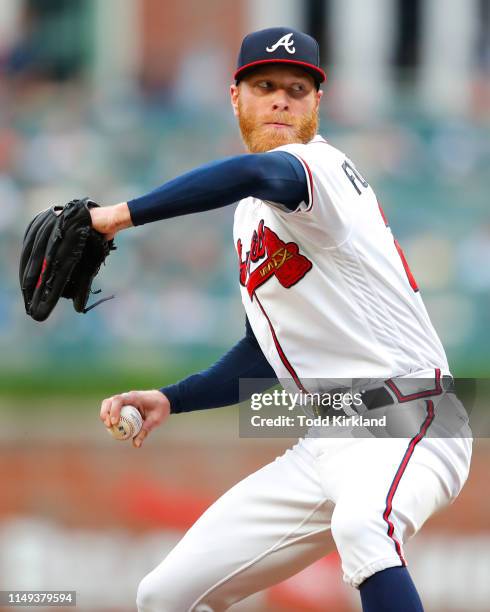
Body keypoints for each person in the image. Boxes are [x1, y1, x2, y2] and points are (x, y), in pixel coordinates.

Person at [93, 27, 472, 612]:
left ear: (317, 103)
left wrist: (119, 215)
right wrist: (171, 398)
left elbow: (256, 174)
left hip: (412, 412)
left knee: (364, 528)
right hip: (327, 435)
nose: (281, 100)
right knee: (164, 594)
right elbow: (263, 353)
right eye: (264, 85)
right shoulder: (249, 218)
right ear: (235, 96)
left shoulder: (316, 168)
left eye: (298, 89)